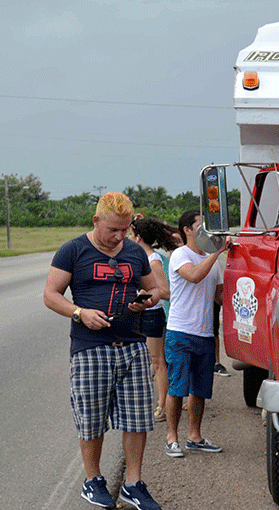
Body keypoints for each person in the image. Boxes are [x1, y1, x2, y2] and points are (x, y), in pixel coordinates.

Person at [43, 192, 163, 510]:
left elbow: (154, 290)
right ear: (96, 221)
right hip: (90, 348)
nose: (119, 236)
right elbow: (51, 294)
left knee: (137, 419)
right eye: (113, 229)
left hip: (133, 346)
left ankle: (133, 485)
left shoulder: (135, 253)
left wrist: (147, 298)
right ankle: (93, 480)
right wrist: (79, 313)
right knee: (92, 420)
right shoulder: (73, 250)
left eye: (124, 229)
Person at [164, 210, 230, 458]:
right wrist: (217, 252)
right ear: (187, 230)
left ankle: (195, 436)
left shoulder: (213, 263)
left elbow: (220, 296)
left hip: (204, 333)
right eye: (201, 226)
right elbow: (193, 276)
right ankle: (172, 438)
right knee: (177, 387)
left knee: (200, 390)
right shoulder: (181, 255)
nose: (207, 231)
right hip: (180, 332)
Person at [129, 216, 180, 422]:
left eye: (132, 234)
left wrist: (145, 293)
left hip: (153, 314)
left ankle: (162, 405)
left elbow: (167, 291)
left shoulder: (153, 260)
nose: (129, 238)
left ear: (139, 237)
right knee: (150, 361)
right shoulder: (145, 256)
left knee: (158, 362)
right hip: (144, 314)